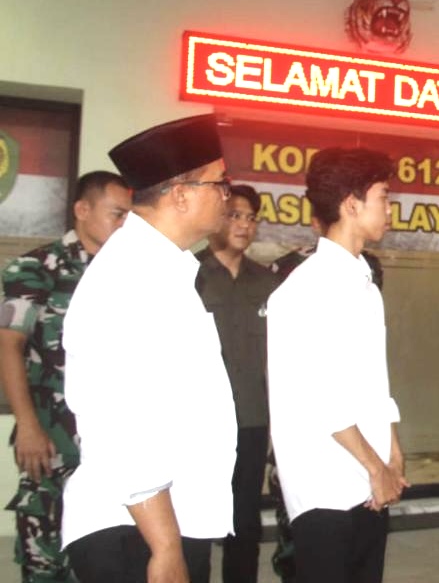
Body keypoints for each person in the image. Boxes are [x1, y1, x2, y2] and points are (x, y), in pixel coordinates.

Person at [61, 114, 238, 583]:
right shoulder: (131, 275)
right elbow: (122, 421)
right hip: (134, 529)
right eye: (219, 183)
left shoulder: (162, 270)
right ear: (180, 194)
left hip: (163, 520)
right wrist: (164, 546)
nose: (227, 195)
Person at [266, 147, 407, 583]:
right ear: (351, 204)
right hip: (325, 487)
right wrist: (376, 467)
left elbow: (374, 383)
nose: (391, 209)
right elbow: (322, 399)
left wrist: (392, 453)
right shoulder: (306, 289)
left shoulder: (365, 284)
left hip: (368, 480)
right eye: (383, 197)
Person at [0, 171, 131, 582]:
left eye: (128, 216)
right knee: (45, 559)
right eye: (116, 213)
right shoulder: (37, 268)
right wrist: (27, 424)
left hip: (108, 444)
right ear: (82, 210)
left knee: (101, 559)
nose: (124, 224)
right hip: (51, 437)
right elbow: (8, 347)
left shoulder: (125, 276)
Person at [195, 185, 279, 583]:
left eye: (251, 218)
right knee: (194, 523)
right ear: (216, 219)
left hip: (251, 419)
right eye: (234, 216)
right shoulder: (188, 277)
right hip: (199, 424)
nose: (244, 225)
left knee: (245, 522)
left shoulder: (267, 283)